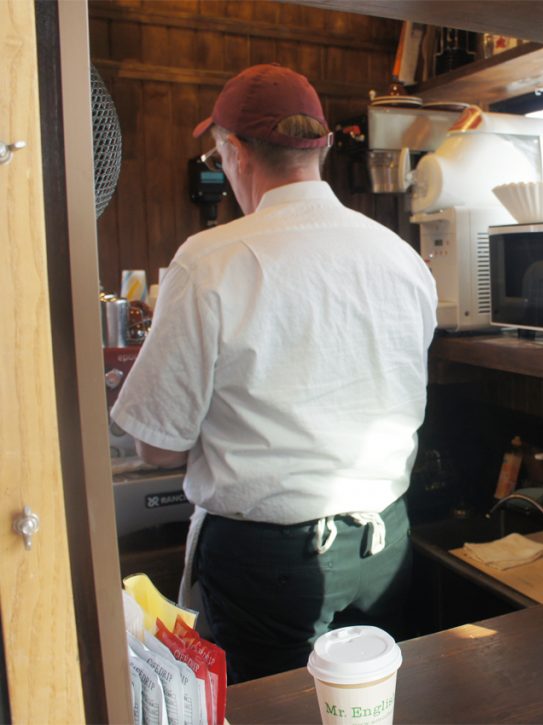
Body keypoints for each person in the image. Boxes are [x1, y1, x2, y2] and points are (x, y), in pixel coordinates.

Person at [111, 63, 438, 683]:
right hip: (385, 544)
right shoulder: (400, 258)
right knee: (364, 711)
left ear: (234, 151)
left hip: (267, 564)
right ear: (320, 146)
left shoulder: (210, 261)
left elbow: (157, 444)